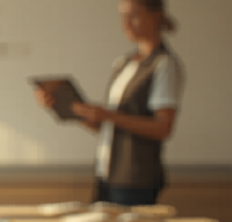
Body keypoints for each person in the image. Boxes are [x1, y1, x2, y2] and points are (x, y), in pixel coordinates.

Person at [36, 0, 185, 207]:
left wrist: (107, 115)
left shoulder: (163, 65)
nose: (125, 23)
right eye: (122, 16)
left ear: (156, 16)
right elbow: (110, 129)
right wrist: (67, 109)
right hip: (107, 174)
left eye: (133, 15)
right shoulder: (124, 63)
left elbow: (163, 127)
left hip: (136, 179)